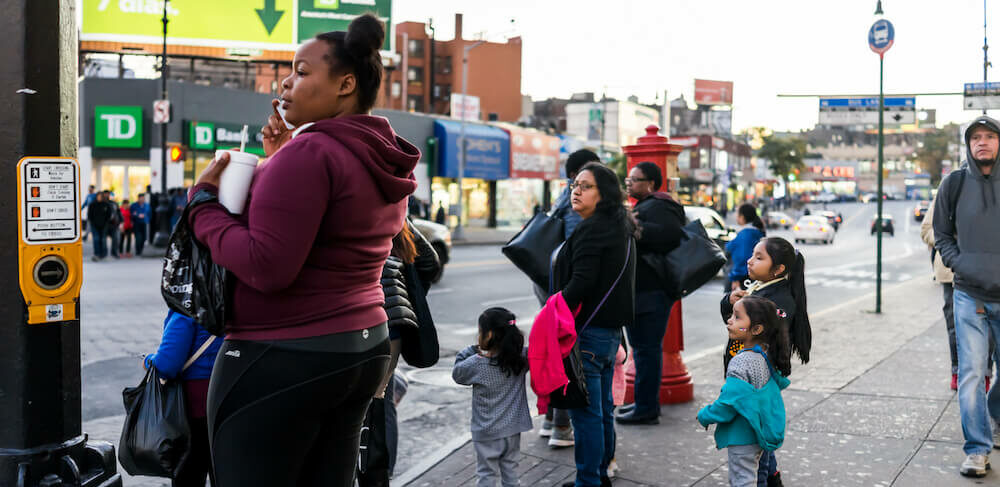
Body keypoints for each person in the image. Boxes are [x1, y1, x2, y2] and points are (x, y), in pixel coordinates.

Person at [187, 14, 419, 486]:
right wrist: (279, 160)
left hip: (284, 352)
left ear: (345, 83)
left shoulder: (311, 153)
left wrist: (202, 207)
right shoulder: (379, 150)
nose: (286, 83)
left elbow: (266, 267)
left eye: (302, 70)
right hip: (361, 348)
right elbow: (331, 224)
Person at [551, 162, 636, 487]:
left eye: (585, 186)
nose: (576, 190)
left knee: (586, 415)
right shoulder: (621, 226)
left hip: (586, 333)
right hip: (610, 334)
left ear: (605, 194)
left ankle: (588, 481)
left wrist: (554, 307)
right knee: (601, 411)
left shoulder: (591, 228)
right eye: (575, 184)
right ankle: (600, 474)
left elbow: (582, 283)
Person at [933, 116, 1000, 478]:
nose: (983, 142)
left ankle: (995, 413)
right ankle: (977, 449)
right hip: (968, 295)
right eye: (976, 137)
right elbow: (941, 233)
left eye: (990, 136)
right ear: (969, 144)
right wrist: (961, 264)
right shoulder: (954, 183)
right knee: (972, 372)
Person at [721, 237, 811, 486]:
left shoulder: (779, 301)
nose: (750, 261)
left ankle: (766, 478)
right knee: (758, 440)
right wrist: (731, 301)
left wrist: (745, 307)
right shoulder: (757, 289)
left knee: (755, 444)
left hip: (757, 381)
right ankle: (771, 477)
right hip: (745, 375)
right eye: (752, 254)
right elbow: (734, 324)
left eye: (759, 257)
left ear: (778, 269)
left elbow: (769, 329)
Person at [358, 220, 440, 487]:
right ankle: (378, 474)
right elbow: (429, 262)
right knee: (378, 402)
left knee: (355, 406)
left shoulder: (354, 208)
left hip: (359, 326)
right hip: (393, 328)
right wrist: (407, 293)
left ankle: (367, 471)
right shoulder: (396, 214)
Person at [538, 149, 599, 448]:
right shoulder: (580, 201)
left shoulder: (564, 196)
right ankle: (561, 425)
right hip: (566, 287)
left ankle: (551, 419)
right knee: (567, 351)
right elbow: (578, 248)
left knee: (555, 347)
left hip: (551, 281)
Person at [616, 161, 684, 425]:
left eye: (635, 179)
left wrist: (634, 227)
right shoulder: (650, 206)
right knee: (643, 350)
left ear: (652, 184)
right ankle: (644, 404)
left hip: (652, 292)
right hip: (646, 291)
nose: (629, 183)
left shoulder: (661, 206)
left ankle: (646, 408)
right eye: (628, 179)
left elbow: (668, 236)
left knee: (646, 350)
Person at [698, 296, 791, 487]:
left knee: (743, 480)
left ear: (756, 329)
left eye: (737, 317)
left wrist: (705, 415)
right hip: (760, 432)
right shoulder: (765, 354)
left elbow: (728, 403)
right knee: (760, 477)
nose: (729, 320)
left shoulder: (741, 362)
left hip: (743, 437)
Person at [922, 191, 995, 391]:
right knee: (954, 324)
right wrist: (950, 242)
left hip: (985, 270)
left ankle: (985, 372)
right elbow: (927, 229)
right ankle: (957, 370)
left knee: (987, 324)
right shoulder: (950, 187)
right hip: (950, 271)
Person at [452, 307, 532, 487]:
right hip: (513, 429)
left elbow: (457, 374)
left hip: (487, 432)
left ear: (488, 335)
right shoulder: (520, 358)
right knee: (511, 471)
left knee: (486, 474)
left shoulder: (476, 364)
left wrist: (473, 350)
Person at [143, 310, 222, 487]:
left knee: (189, 476)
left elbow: (167, 365)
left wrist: (147, 361)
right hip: (228, 402)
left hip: (194, 411)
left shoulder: (186, 308)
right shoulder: (231, 300)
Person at [726, 204, 767, 291]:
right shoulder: (755, 231)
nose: (736, 217)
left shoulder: (746, 234)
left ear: (742, 217)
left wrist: (735, 278)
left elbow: (742, 257)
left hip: (743, 279)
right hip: (751, 277)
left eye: (737, 214)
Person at [86, 191, 112, 261]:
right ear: (96, 197)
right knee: (96, 239)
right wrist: (92, 223)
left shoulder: (106, 204)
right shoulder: (92, 204)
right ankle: (97, 254)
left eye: (101, 196)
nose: (99, 198)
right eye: (98, 196)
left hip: (104, 225)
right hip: (94, 225)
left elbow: (109, 215)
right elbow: (89, 215)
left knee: (103, 239)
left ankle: (103, 254)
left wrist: (106, 223)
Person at [105, 191, 121, 259]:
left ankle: (114, 252)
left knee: (116, 238)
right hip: (105, 225)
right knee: (103, 240)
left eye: (108, 194)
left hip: (114, 224)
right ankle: (103, 253)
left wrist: (121, 222)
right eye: (106, 194)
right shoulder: (103, 203)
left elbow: (118, 213)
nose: (107, 196)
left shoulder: (114, 203)